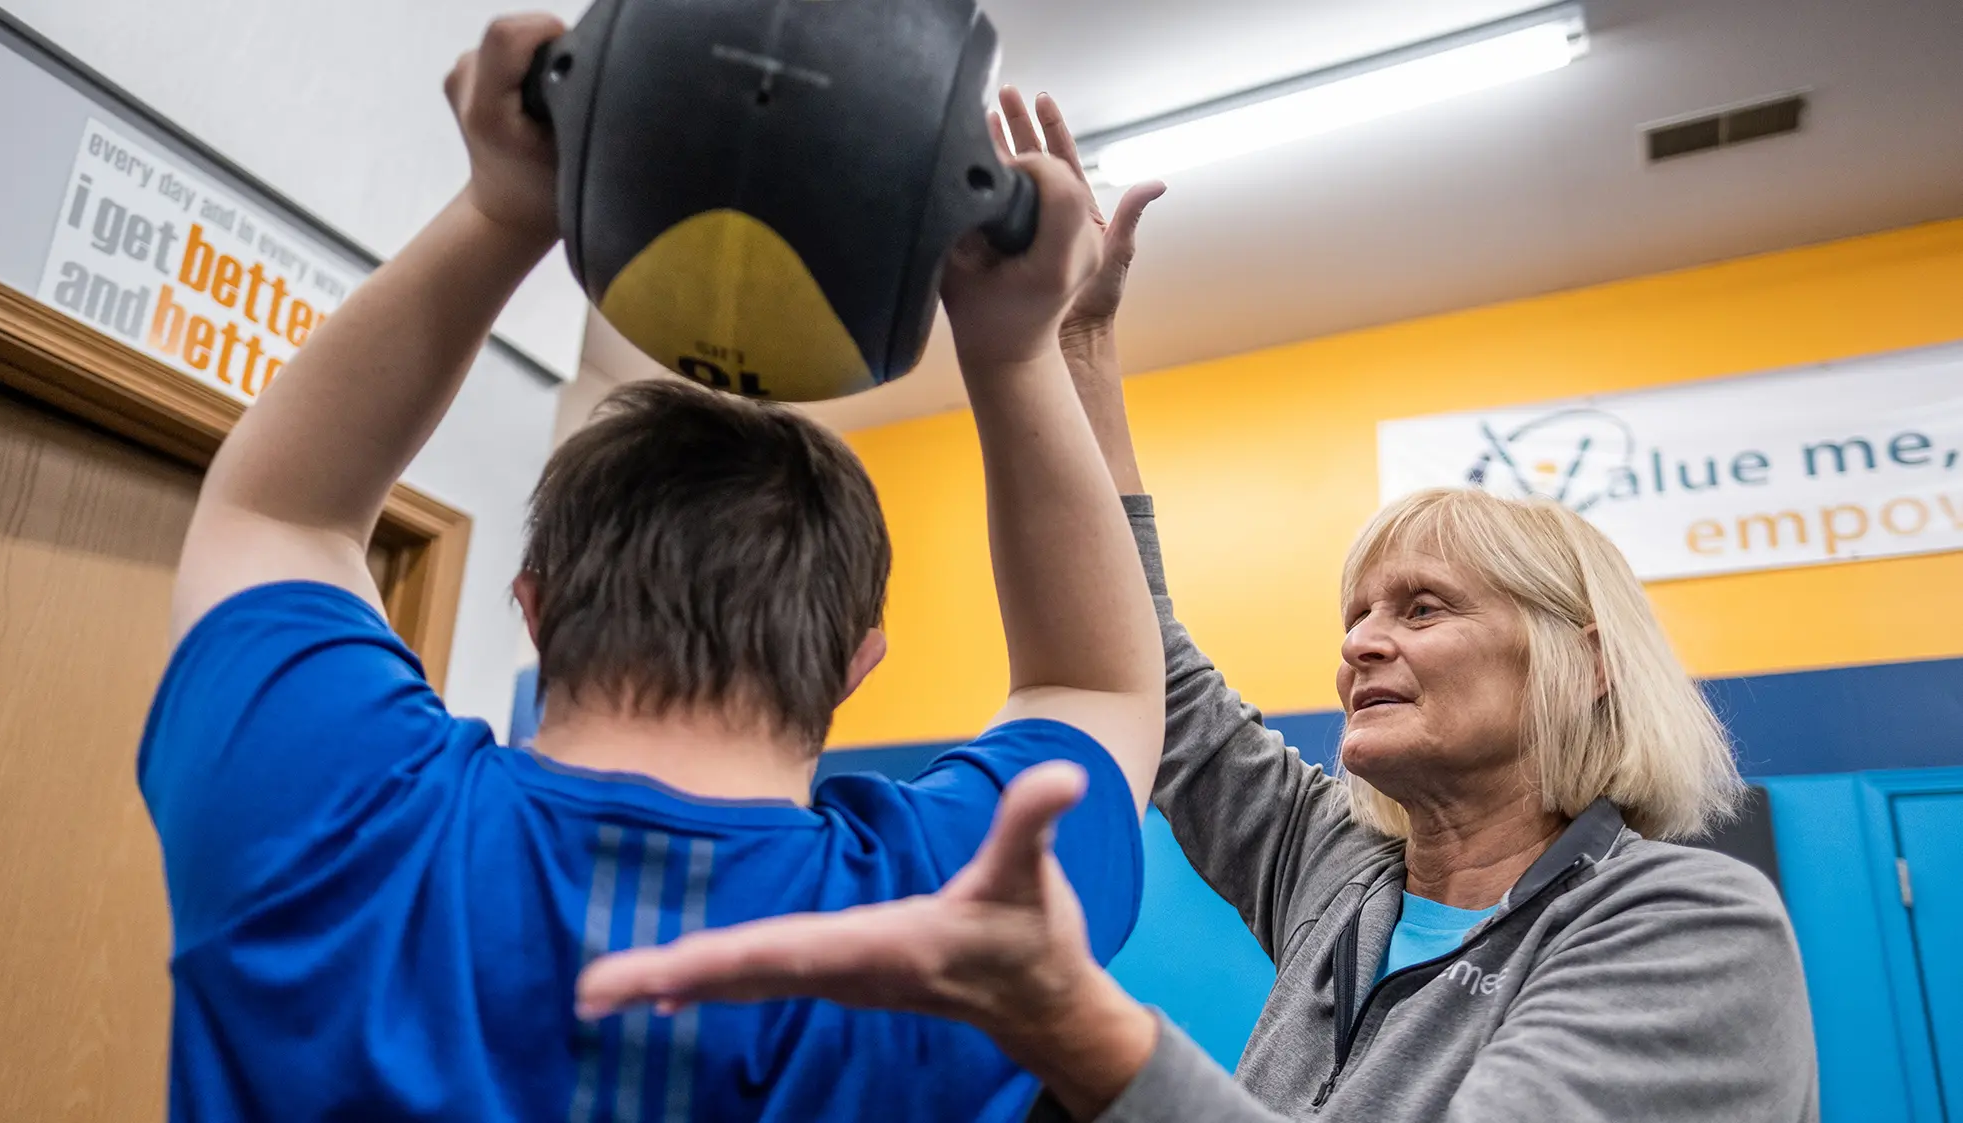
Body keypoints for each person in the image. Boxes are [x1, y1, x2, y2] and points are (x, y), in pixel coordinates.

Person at [574, 89, 1821, 1123]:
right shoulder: (1347, 872)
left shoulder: (1684, 923)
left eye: (1421, 607)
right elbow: (1148, 667)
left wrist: (1075, 1028)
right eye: (1355, 613)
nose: (1359, 643)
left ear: (1586, 661)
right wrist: (1074, 350)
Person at [140, 20, 1165, 1121]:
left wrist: (505, 207)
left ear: (533, 610)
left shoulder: (327, 813)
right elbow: (1094, 688)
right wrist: (1015, 347)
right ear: (855, 663)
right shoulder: (958, 928)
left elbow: (281, 511)